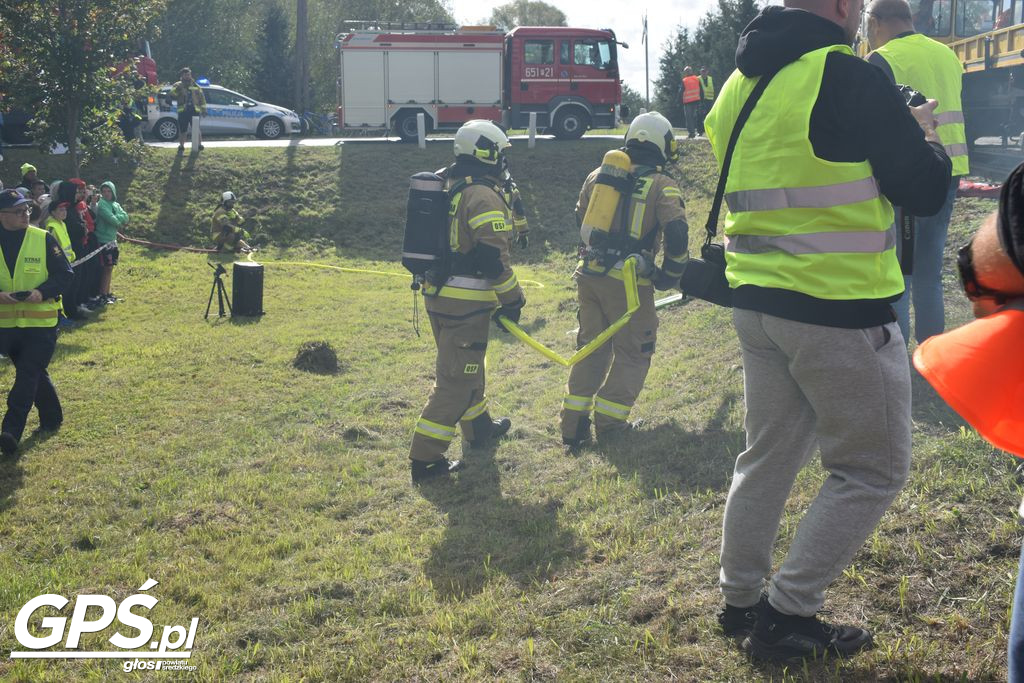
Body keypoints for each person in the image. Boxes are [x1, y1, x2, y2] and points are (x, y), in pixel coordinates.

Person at [703, 0, 951, 662]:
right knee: (872, 468)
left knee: (767, 454)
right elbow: (923, 191)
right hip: (837, 309)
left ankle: (741, 598)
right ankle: (788, 612)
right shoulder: (847, 74)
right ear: (844, 7)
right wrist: (923, 133)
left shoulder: (735, 86)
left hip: (757, 303)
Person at [560, 112, 689, 447]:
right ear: (662, 144)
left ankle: (572, 426)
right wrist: (669, 276)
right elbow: (677, 232)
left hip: (589, 274)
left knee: (591, 349)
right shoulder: (662, 185)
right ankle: (611, 425)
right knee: (635, 351)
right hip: (629, 283)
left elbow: (581, 219)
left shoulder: (598, 177)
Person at [409, 120, 524, 483]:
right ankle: (425, 460)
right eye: (500, 154)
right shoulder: (483, 195)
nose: (503, 162)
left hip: (439, 295)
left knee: (468, 366)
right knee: (456, 381)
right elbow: (493, 258)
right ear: (486, 152)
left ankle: (479, 429)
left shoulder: (448, 184)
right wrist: (513, 299)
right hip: (466, 302)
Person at [866, 0, 968, 344]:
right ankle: (932, 354)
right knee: (929, 273)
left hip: (908, 178)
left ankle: (901, 357)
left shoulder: (881, 60)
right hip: (949, 173)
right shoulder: (947, 55)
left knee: (899, 273)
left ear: (876, 21)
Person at [0, 189, 73, 456]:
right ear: (1, 216)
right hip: (7, 327)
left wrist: (41, 292)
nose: (25, 215)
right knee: (33, 373)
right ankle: (52, 417)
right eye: (18, 211)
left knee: (28, 372)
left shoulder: (42, 239)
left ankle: (11, 429)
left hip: (41, 324)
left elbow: (65, 275)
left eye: (27, 210)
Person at [94, 182, 128, 303]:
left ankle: (107, 293)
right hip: (103, 240)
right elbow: (114, 221)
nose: (106, 194)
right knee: (105, 268)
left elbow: (126, 218)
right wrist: (118, 217)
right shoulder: (101, 205)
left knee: (110, 267)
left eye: (109, 191)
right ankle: (102, 294)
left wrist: (117, 216)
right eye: (104, 191)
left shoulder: (116, 204)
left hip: (112, 240)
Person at [173, 67, 206, 153]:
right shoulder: (177, 85)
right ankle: (181, 146)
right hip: (183, 111)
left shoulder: (195, 85)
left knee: (196, 128)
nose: (188, 76)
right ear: (182, 76)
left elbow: (202, 98)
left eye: (189, 74)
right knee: (183, 130)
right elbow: (172, 94)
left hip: (194, 110)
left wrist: (203, 109)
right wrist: (178, 89)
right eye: (186, 75)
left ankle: (199, 145)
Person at [681, 66, 704, 139]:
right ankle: (699, 131)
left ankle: (692, 133)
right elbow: (701, 90)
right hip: (697, 101)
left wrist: (678, 101)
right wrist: (702, 100)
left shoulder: (684, 80)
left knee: (689, 118)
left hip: (688, 102)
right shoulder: (697, 79)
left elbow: (681, 91)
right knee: (697, 117)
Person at [699, 66, 716, 133]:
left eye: (705, 71)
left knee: (709, 116)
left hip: (710, 100)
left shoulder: (711, 79)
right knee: (700, 116)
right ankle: (700, 131)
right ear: (700, 72)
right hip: (701, 100)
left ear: (707, 72)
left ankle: (710, 130)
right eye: (702, 71)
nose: (704, 73)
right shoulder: (698, 79)